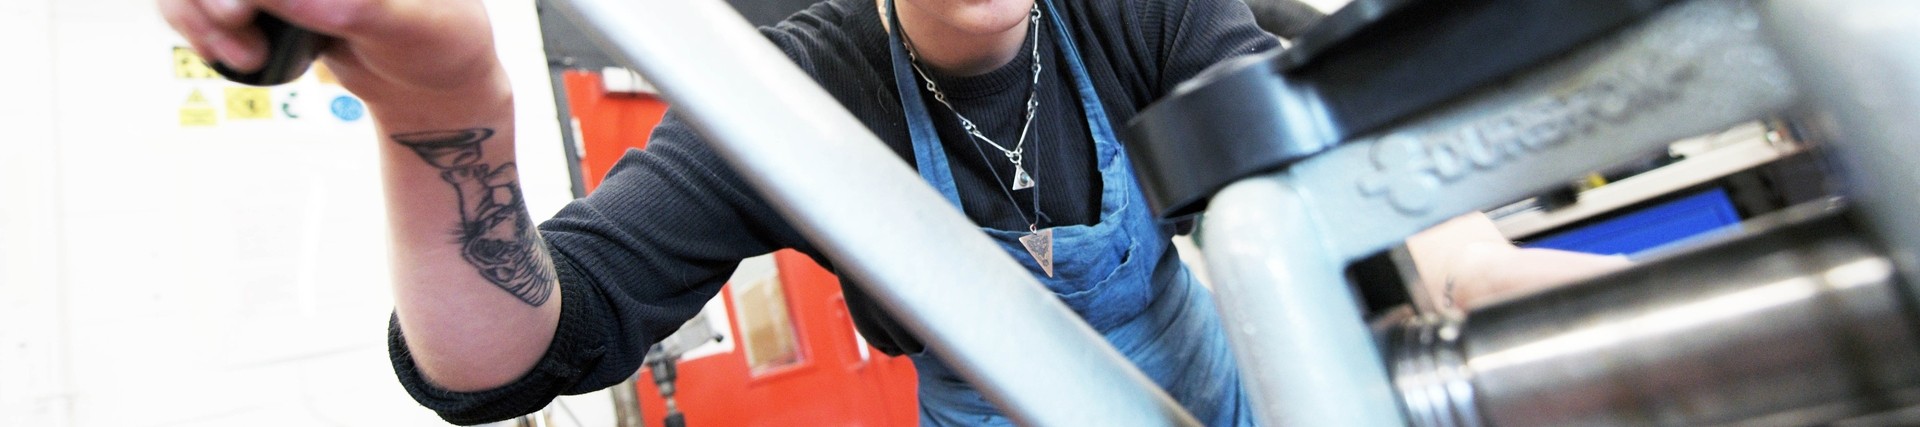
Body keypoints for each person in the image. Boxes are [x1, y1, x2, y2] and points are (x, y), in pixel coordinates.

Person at [159, 0, 1626, 425]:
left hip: (1240, 401)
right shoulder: (796, 101)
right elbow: (522, 350)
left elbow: (1328, 181)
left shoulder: (1144, 11)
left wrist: (1520, 298)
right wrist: (442, 97)